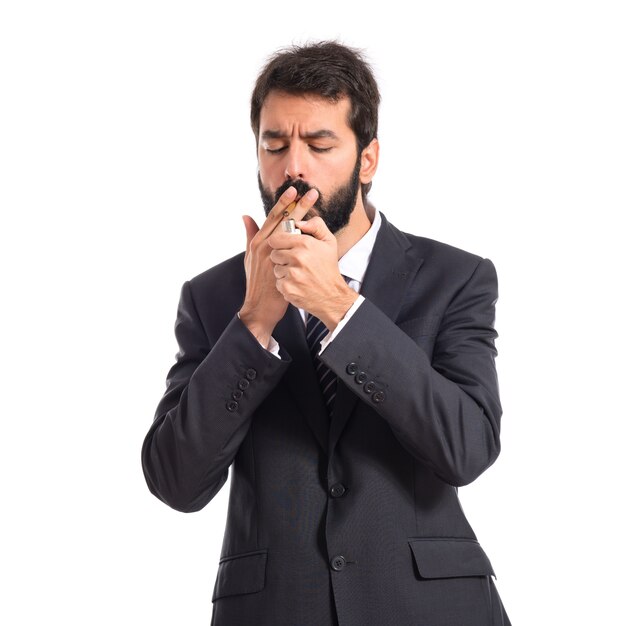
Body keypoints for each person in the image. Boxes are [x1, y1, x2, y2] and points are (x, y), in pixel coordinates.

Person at [141, 41, 511, 626]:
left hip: (432, 607)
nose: (294, 167)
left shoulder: (456, 278)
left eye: (319, 145)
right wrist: (254, 322)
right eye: (274, 144)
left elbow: (466, 448)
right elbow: (176, 481)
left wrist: (340, 308)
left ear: (367, 159)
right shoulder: (212, 298)